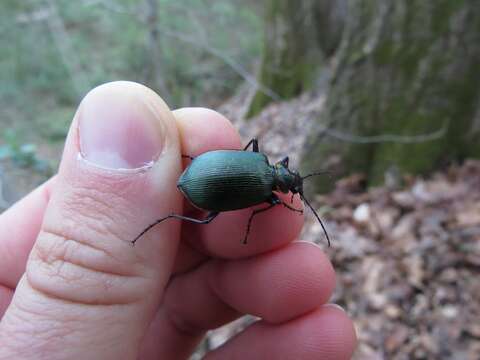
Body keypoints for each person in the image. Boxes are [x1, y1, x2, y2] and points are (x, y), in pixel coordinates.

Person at [0, 82, 356, 359]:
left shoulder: (262, 166)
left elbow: (243, 154)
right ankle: (176, 193)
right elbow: (260, 199)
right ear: (285, 183)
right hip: (201, 179)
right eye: (294, 189)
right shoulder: (267, 193)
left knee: (209, 215)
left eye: (294, 189)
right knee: (205, 223)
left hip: (203, 173)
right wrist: (258, 216)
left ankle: (185, 167)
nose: (292, 188)